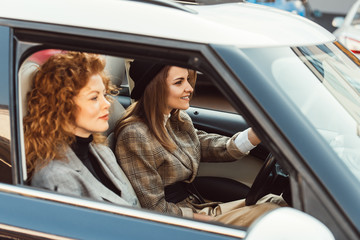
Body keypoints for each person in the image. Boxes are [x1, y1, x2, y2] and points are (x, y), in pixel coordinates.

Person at [114, 60, 284, 227]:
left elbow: (205, 145)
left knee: (277, 202)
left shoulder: (175, 119)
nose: (189, 88)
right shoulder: (134, 135)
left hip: (194, 206)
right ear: (156, 88)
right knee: (271, 213)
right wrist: (205, 221)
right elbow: (154, 209)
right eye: (179, 82)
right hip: (180, 221)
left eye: (187, 79)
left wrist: (256, 134)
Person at [24, 51, 139, 208]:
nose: (107, 104)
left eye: (104, 95)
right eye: (94, 98)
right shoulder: (54, 177)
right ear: (63, 106)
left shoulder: (100, 149)